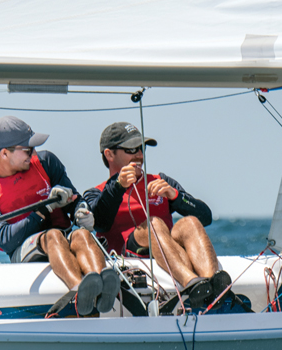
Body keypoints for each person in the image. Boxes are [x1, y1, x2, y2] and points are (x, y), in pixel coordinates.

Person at [0, 116, 119, 316]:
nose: (33, 154)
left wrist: (81, 211)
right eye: (27, 149)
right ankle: (78, 292)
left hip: (63, 238)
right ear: (4, 153)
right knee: (52, 236)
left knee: (82, 235)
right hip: (24, 250)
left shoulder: (47, 162)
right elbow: (6, 240)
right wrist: (43, 209)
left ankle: (101, 285)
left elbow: (75, 199)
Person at [83, 122, 231, 311]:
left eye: (141, 148)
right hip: (128, 258)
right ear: (109, 154)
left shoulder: (161, 181)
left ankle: (212, 287)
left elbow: (206, 217)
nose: (139, 155)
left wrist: (176, 197)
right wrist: (118, 186)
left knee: (190, 223)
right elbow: (101, 223)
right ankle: (192, 284)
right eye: (131, 149)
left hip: (167, 252)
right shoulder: (96, 192)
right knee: (154, 224)